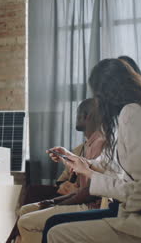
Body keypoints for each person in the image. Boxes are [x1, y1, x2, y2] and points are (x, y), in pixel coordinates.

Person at [47, 58, 141, 243]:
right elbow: (122, 168)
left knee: (57, 233)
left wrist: (122, 207)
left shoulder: (133, 113)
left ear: (106, 94)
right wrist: (78, 161)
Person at [40, 55, 141, 243]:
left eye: (100, 95)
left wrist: (89, 173)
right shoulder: (125, 121)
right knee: (53, 225)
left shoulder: (136, 119)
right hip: (123, 208)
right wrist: (74, 159)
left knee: (54, 228)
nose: (99, 102)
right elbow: (109, 166)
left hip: (135, 216)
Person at [15, 98, 106, 243]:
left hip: (89, 207)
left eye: (78, 115)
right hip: (81, 201)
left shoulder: (99, 144)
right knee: (25, 211)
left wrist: (57, 204)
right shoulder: (87, 145)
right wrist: (51, 201)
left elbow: (90, 192)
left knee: (26, 222)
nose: (75, 119)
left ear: (87, 116)